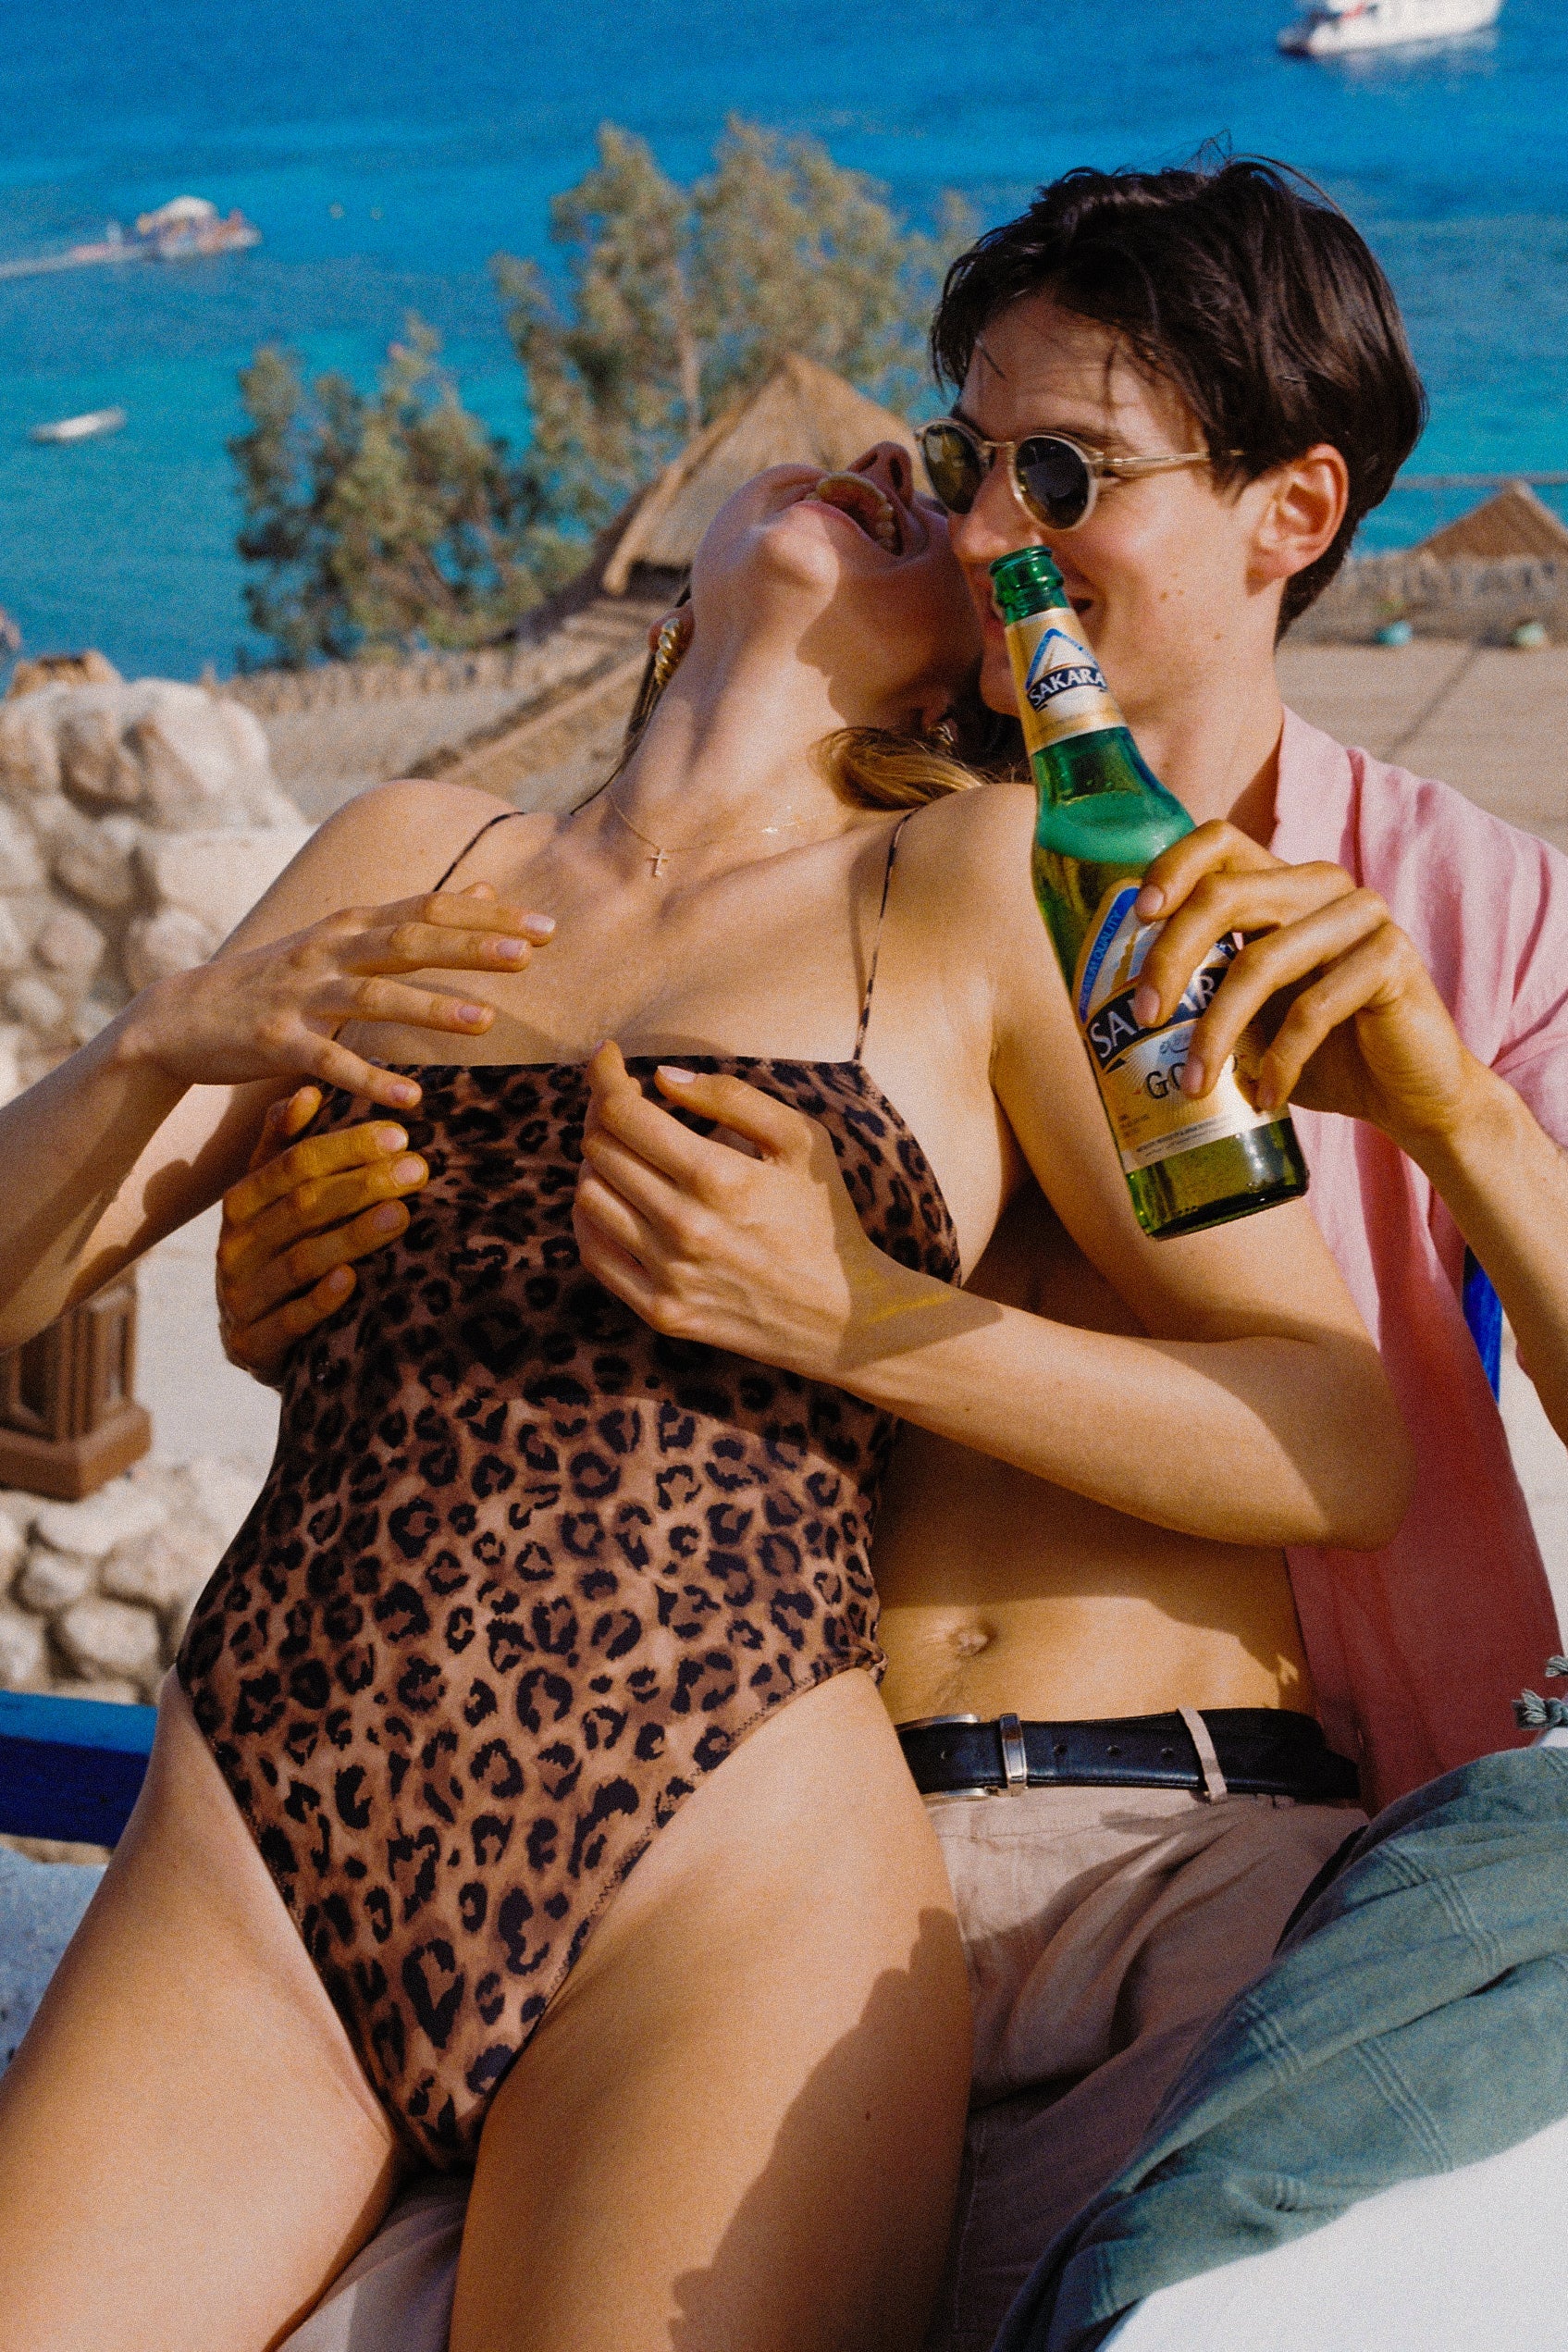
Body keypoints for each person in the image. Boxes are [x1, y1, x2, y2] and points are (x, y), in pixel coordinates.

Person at [221, 156, 1568, 2352]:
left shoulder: (1463, 904)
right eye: (965, 458)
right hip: (734, 1884)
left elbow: (1343, 1433)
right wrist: (297, 1282)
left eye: (1066, 472)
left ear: (1290, 509)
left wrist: (1453, 1112)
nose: (989, 527)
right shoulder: (826, 866)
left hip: (1203, 1851)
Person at [0, 431, 1405, 2352]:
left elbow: (1336, 1431)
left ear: (979, 655)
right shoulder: (410, 848)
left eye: (943, 487)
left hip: (720, 1872)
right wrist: (150, 1051)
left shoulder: (988, 877)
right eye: (865, 450)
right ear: (679, 584)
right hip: (264, 1826)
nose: (889, 459)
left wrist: (858, 1316)